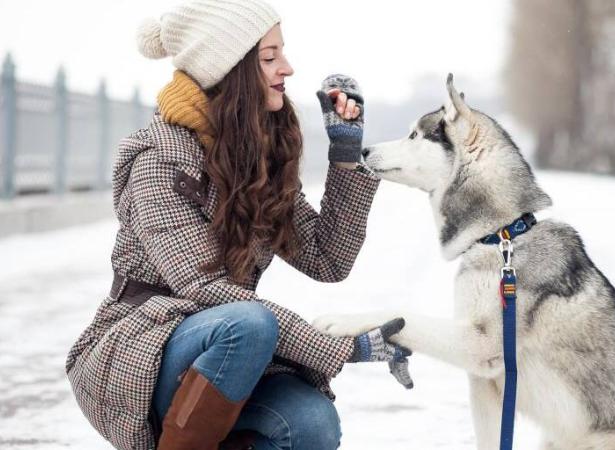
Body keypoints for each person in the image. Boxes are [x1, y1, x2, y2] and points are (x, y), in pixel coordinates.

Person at [63, 1, 413, 449]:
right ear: (228, 70)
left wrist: (345, 154)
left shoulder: (253, 159)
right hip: (140, 351)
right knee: (250, 322)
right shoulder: (158, 162)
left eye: (281, 53)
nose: (287, 68)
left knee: (311, 424)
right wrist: (341, 348)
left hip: (230, 351)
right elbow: (205, 289)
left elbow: (329, 259)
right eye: (269, 58)